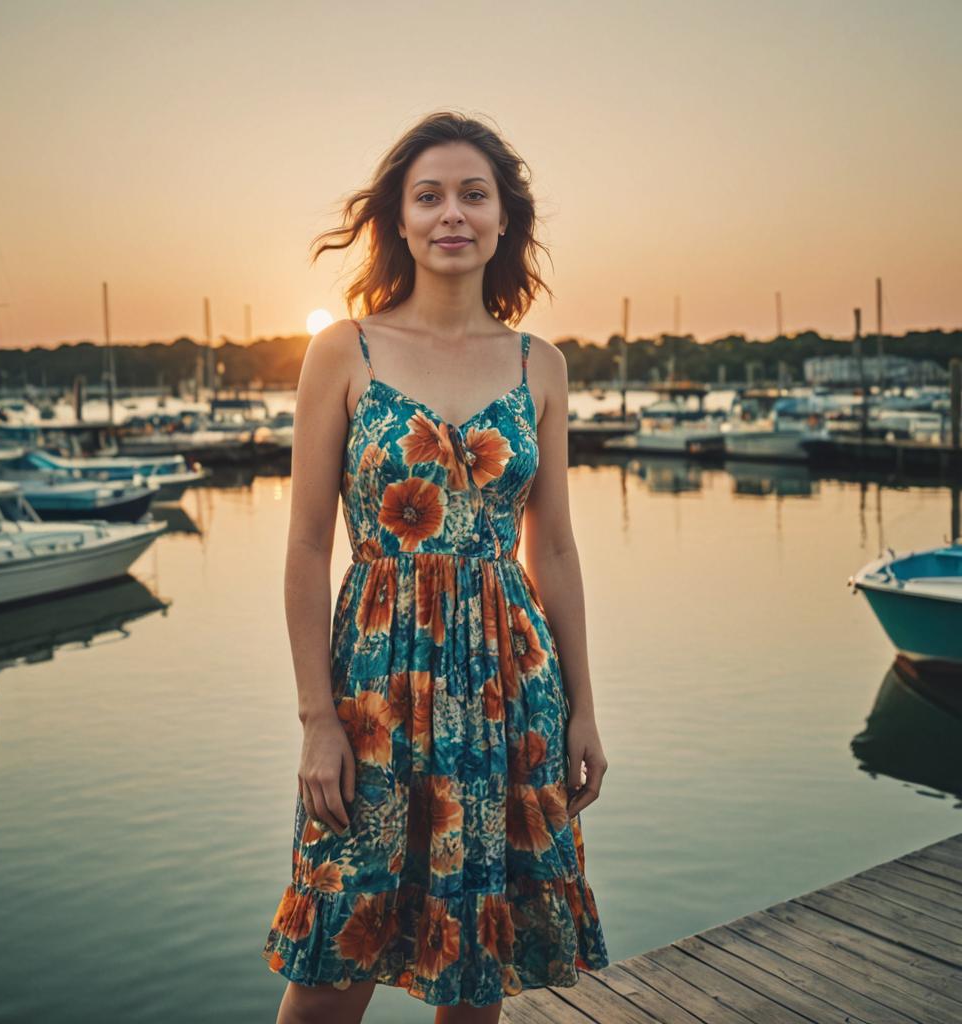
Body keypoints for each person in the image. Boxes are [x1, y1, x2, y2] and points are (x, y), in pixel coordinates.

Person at [262, 110, 610, 1024]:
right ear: (401, 221)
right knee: (335, 952)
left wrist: (582, 707)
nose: (451, 213)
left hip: (509, 689)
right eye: (429, 196)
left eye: (472, 194)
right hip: (373, 693)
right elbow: (304, 545)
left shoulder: (542, 365)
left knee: (477, 957)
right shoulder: (346, 350)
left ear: (503, 221)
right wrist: (315, 719)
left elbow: (558, 548)